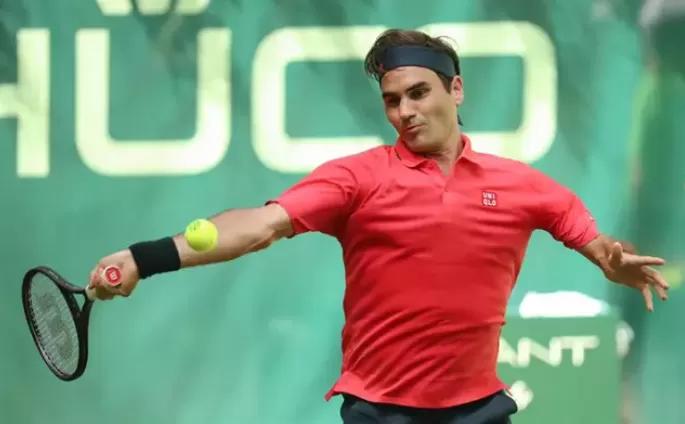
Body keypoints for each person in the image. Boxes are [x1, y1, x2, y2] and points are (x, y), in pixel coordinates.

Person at [88, 29, 670, 424]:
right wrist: (144, 257)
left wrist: (612, 260)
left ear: (456, 89)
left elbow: (597, 246)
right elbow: (259, 226)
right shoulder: (357, 179)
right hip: (380, 411)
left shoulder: (523, 186)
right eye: (392, 100)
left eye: (418, 93)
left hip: (478, 408)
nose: (405, 112)